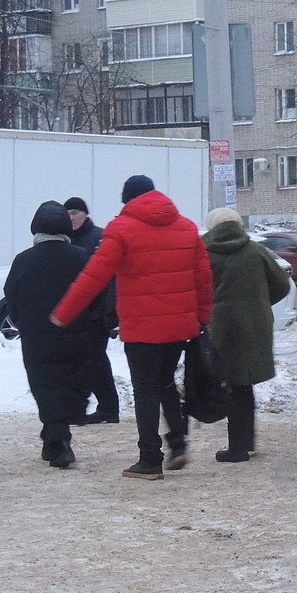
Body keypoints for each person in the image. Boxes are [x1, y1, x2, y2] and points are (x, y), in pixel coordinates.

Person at [50, 174, 212, 479]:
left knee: (146, 389)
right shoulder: (188, 228)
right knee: (164, 382)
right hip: (179, 327)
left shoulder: (121, 229)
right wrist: (204, 318)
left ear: (128, 200)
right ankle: (177, 443)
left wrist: (64, 312)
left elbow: (94, 276)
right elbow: (203, 279)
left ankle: (150, 457)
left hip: (142, 327)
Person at [4, 202, 95, 469]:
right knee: (67, 383)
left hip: (37, 337)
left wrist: (22, 322)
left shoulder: (23, 260)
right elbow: (94, 292)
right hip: (75, 333)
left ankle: (60, 442)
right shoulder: (80, 256)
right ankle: (52, 439)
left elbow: (12, 296)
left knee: (45, 387)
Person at [202, 207, 291, 463]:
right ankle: (245, 442)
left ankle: (237, 449)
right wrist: (259, 303)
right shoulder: (256, 251)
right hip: (254, 326)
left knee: (232, 384)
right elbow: (282, 285)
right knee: (244, 383)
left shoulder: (204, 253)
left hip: (220, 327)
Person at [64, 196, 120, 424]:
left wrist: (109, 310)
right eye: (67, 214)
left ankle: (108, 407)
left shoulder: (98, 237)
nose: (72, 217)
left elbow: (108, 276)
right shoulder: (67, 240)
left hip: (97, 311)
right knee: (88, 359)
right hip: (77, 311)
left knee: (93, 358)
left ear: (85, 214)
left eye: (76, 212)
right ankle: (105, 406)